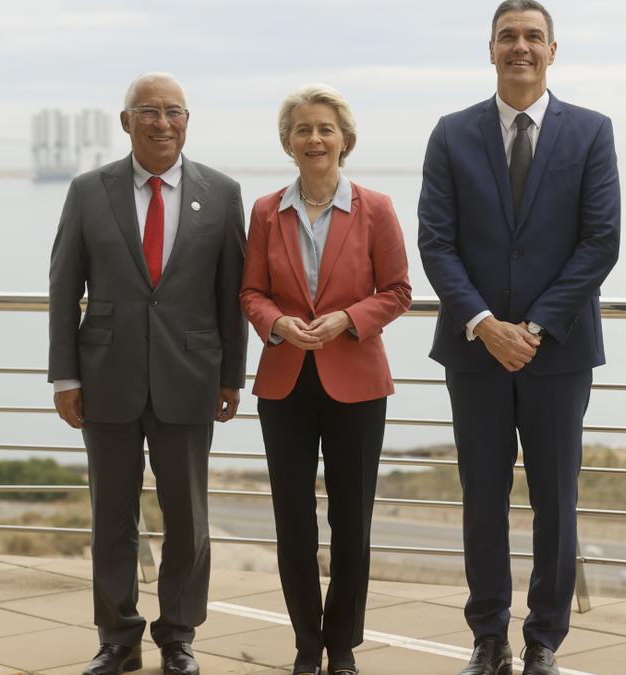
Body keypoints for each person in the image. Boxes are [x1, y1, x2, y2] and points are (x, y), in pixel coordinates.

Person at [417, 2, 620, 673]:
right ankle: (487, 636)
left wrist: (530, 328)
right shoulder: (450, 134)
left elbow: (600, 243)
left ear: (553, 51)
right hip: (473, 350)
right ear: (491, 49)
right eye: (509, 37)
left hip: (557, 352)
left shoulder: (591, 132)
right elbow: (437, 243)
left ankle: (543, 641)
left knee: (555, 500)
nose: (521, 47)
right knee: (481, 496)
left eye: (534, 36)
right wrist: (484, 324)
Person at [48, 72, 247, 675]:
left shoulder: (222, 191)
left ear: (187, 120)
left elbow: (230, 290)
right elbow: (63, 287)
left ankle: (179, 635)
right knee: (111, 515)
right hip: (104, 376)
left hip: (191, 374)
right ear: (125, 121)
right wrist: (64, 377)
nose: (163, 122)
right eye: (149, 112)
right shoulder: (88, 190)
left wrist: (232, 376)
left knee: (187, 517)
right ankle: (117, 639)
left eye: (174, 112)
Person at [240, 84, 411, 675]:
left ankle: (342, 647)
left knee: (350, 522)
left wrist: (348, 318)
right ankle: (306, 644)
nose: (315, 139)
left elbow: (397, 291)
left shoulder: (377, 208)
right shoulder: (266, 211)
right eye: (303, 130)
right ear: (288, 143)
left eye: (325, 129)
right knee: (293, 521)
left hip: (356, 383)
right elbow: (250, 292)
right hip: (285, 382)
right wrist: (279, 322)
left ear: (345, 140)